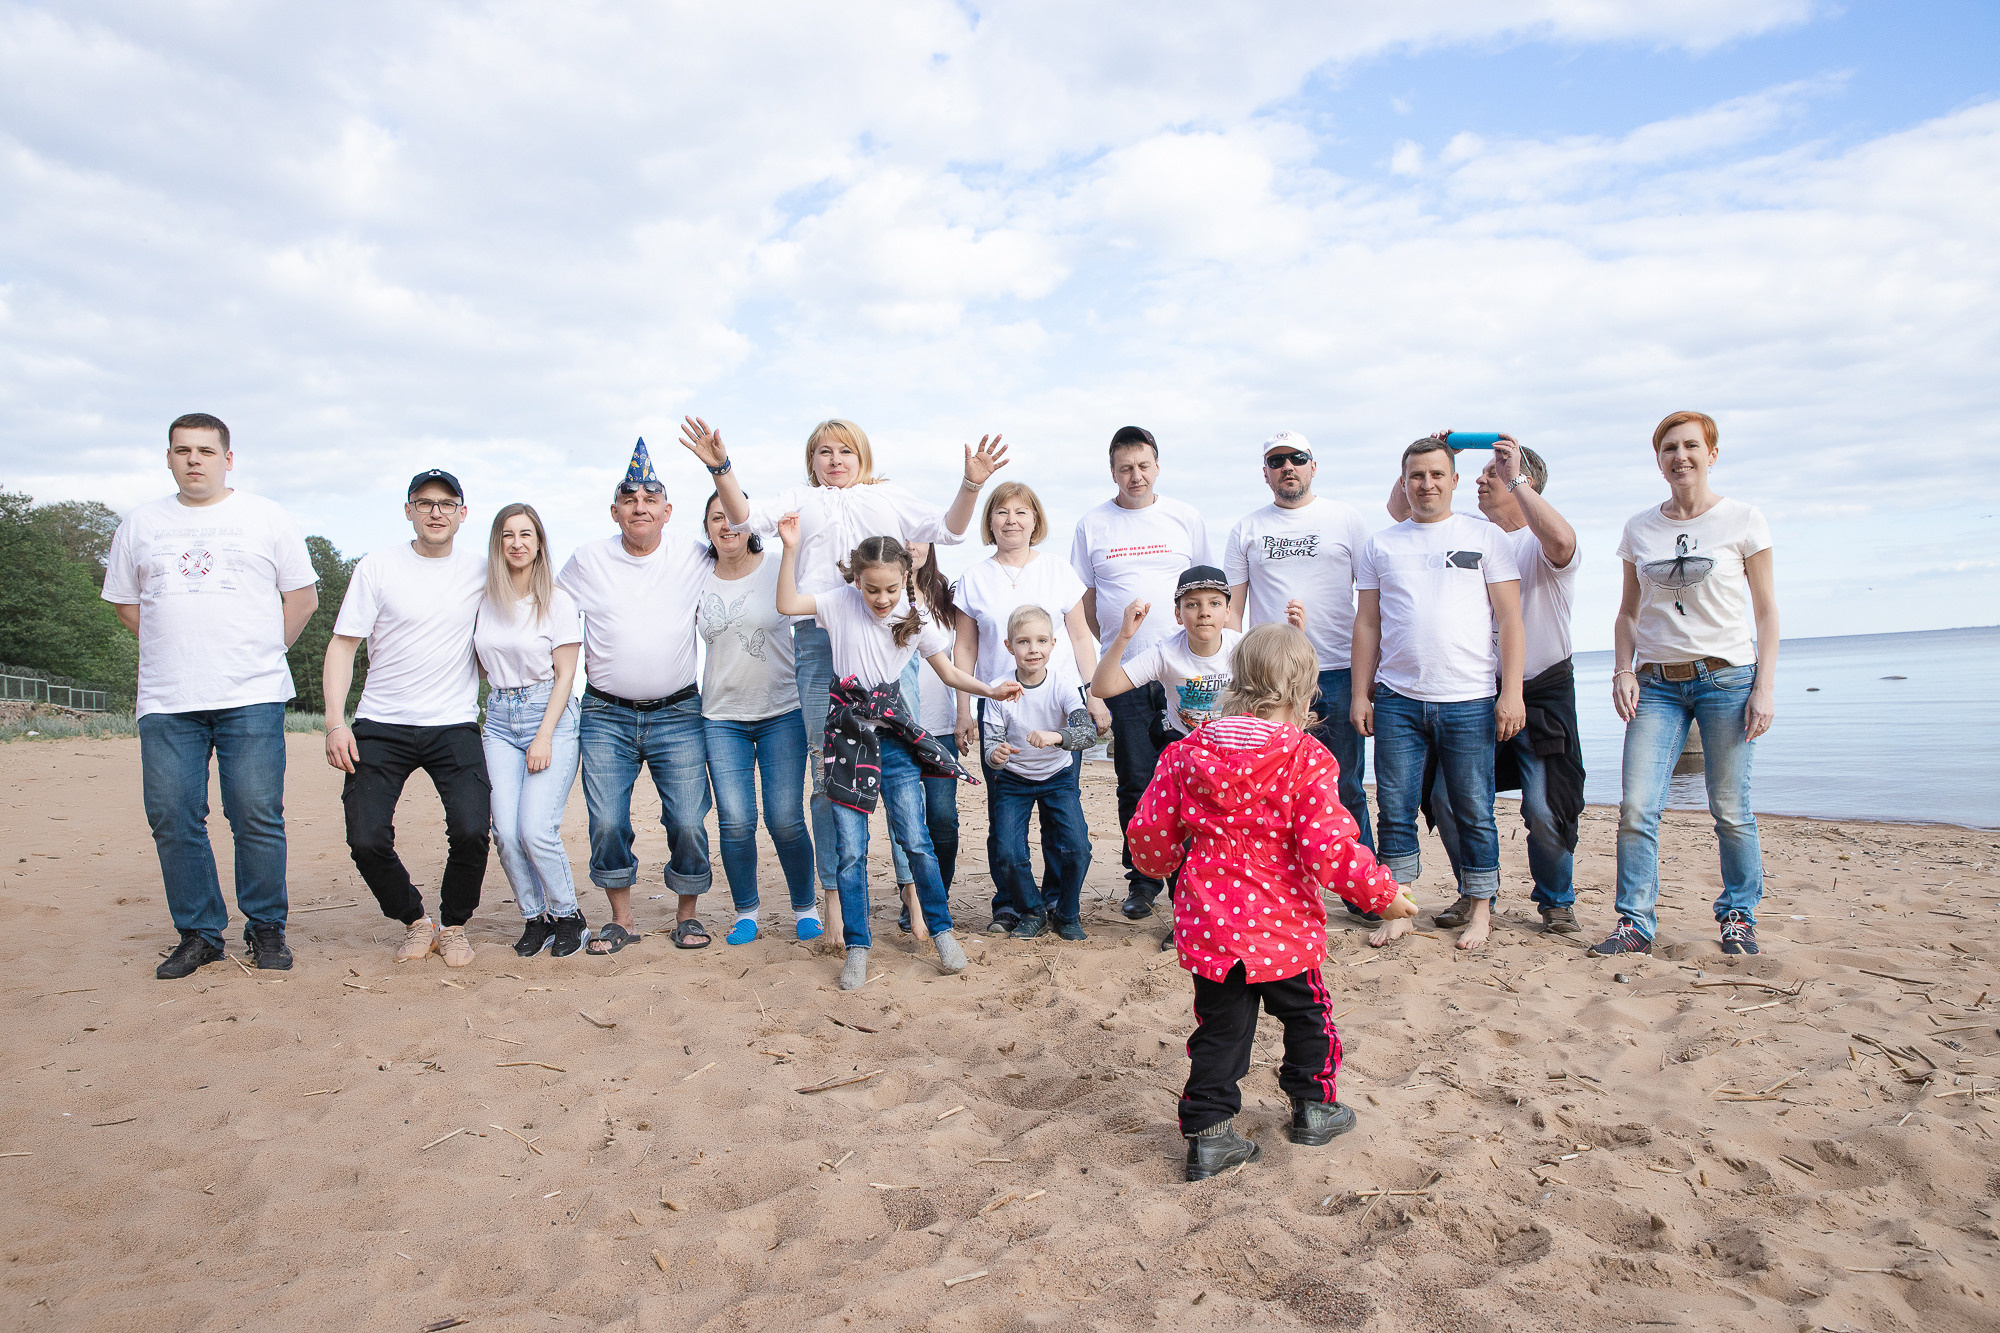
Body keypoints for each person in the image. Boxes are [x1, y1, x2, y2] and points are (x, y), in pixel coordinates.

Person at [679, 415, 1007, 929]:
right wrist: (721, 468)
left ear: (863, 458)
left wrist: (972, 483)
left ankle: (913, 898)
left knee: (901, 766)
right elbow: (743, 517)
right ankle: (833, 900)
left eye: (845, 452)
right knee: (824, 769)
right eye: (824, 452)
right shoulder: (800, 499)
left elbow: (951, 528)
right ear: (811, 461)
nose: (835, 460)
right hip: (819, 637)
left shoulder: (887, 496)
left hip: (887, 637)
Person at [1127, 624, 1417, 1181]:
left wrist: (1159, 867)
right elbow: (1328, 845)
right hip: (1282, 927)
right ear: (1305, 693)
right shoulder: (1305, 757)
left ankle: (1210, 1135)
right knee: (1309, 1016)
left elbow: (1149, 834)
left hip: (1212, 924)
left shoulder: (1187, 752)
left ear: (1236, 681)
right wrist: (1380, 893)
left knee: (1220, 1028)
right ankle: (1315, 1108)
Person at [103, 412, 319, 978]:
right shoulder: (141, 524)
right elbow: (130, 606)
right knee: (173, 814)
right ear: (169, 458)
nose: (193, 459)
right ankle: (199, 933)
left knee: (254, 812)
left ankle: (266, 926)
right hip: (168, 698)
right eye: (181, 450)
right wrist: (181, 648)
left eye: (204, 450)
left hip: (251, 693)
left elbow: (301, 600)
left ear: (228, 457)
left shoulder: (265, 517)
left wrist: (261, 652)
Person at [773, 522, 1021, 991]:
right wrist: (789, 550)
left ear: (906, 578)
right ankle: (858, 946)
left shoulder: (915, 615)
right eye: (871, 589)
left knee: (916, 840)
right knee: (851, 851)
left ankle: (942, 932)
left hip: (895, 741)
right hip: (847, 738)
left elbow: (948, 672)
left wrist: (989, 688)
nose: (881, 598)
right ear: (856, 580)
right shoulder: (838, 602)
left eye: (890, 588)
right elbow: (787, 604)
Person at [1596, 410, 1778, 958]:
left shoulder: (1744, 520)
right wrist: (1622, 670)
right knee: (1636, 807)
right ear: (1659, 460)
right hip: (1656, 686)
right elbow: (1627, 614)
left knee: (1730, 807)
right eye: (1669, 448)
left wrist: (1764, 688)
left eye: (1692, 446)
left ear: (1712, 453)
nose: (1681, 456)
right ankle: (1635, 922)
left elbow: (1767, 614)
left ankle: (1739, 915)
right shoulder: (1639, 528)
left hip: (1727, 680)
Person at [1388, 436, 1586, 934]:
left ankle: (1556, 899)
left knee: (1544, 807)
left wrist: (1515, 475)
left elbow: (1563, 544)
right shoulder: (1472, 533)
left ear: (1525, 483)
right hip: (1471, 692)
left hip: (1538, 691)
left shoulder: (1538, 543)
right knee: (1446, 800)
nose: (1478, 480)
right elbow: (1400, 510)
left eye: (1491, 473)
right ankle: (1477, 893)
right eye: (1473, 474)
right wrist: (1430, 451)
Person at [1352, 438, 1524, 953]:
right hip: (1399, 698)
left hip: (1469, 697)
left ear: (1453, 480)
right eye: (1416, 476)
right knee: (1395, 807)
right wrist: (1363, 694)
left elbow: (1511, 620)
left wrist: (1509, 693)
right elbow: (1367, 624)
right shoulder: (1381, 544)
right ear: (1404, 483)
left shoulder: (1485, 536)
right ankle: (1399, 907)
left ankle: (1479, 911)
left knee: (1473, 807)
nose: (1426, 484)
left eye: (1436, 474)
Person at [323, 468, 489, 967]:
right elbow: (343, 644)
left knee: (471, 829)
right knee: (366, 837)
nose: (435, 511)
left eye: (446, 503)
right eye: (424, 502)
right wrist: (335, 722)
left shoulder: (483, 571)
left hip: (454, 723)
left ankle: (455, 925)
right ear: (408, 510)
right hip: (381, 722)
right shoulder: (377, 567)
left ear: (463, 512)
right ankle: (417, 921)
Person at [557, 439, 714, 954]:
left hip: (679, 711)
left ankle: (687, 917)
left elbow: (745, 547)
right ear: (614, 510)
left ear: (668, 512)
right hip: (605, 714)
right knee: (606, 821)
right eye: (629, 498)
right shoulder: (586, 560)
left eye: (651, 498)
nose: (640, 505)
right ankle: (620, 919)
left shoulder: (695, 556)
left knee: (688, 819)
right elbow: (549, 616)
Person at [954, 481, 1111, 933]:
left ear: (1036, 521)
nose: (1012, 520)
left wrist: (1093, 694)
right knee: (1005, 815)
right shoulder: (973, 578)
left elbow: (1082, 637)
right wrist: (965, 710)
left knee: (1060, 816)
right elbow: (964, 649)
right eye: (1002, 512)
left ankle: (1058, 901)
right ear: (990, 522)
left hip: (1056, 709)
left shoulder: (1058, 571)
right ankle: (1011, 904)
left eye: (1022, 512)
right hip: (1000, 711)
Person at [1069, 426, 1209, 922]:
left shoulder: (1185, 518)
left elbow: (1207, 593)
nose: (1136, 475)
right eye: (1125, 467)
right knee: (1136, 782)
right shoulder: (1092, 525)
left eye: (1144, 465)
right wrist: (1096, 679)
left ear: (1157, 467)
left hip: (1184, 672)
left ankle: (1189, 883)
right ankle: (1144, 878)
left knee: (1192, 784)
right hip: (1124, 675)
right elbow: (1081, 608)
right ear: (1112, 471)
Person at [1223, 430, 1376, 866]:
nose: (1287, 466)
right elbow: (1233, 610)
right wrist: (1232, 672)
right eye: (1276, 461)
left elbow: (1371, 600)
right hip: (1268, 677)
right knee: (1271, 782)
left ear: (1313, 465)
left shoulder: (1345, 519)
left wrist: (1369, 677)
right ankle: (1281, 876)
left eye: (1297, 457)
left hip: (1337, 670)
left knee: (1345, 784)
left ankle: (1357, 884)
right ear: (1266, 475)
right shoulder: (1247, 528)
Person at [696, 491, 820, 945]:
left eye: (733, 518)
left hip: (781, 711)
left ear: (750, 523)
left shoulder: (776, 568)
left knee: (785, 817)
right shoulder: (697, 577)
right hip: (720, 716)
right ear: (706, 527)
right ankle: (745, 911)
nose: (726, 526)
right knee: (734, 820)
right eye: (716, 519)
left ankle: (805, 908)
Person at [474, 503, 587, 958]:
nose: (517, 543)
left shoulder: (557, 600)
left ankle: (568, 915)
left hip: (550, 715)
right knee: (504, 831)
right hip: (499, 717)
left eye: (526, 534)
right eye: (507, 535)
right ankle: (534, 917)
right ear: (497, 544)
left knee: (535, 829)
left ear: (540, 543)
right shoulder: (484, 600)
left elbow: (566, 675)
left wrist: (543, 735)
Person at [980, 606, 1097, 940]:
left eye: (1041, 640)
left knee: (1077, 847)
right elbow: (991, 748)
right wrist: (997, 754)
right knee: (1008, 853)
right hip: (1014, 781)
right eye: (1024, 641)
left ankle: (1066, 913)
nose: (1033, 648)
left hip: (1057, 777)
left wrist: (1056, 736)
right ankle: (1032, 911)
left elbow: (1088, 733)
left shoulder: (1063, 684)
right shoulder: (999, 691)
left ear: (1053, 644)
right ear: (1008, 646)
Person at [888, 541, 965, 932]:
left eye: (919, 536)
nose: (911, 545)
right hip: (900, 727)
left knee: (942, 819)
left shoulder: (947, 598)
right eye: (903, 535)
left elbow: (962, 658)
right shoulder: (884, 593)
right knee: (907, 817)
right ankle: (913, 898)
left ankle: (939, 892)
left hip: (940, 727)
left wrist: (965, 714)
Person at [1091, 565, 1243, 740]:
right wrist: (1124, 635)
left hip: (1233, 747)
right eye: (1192, 604)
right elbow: (1102, 688)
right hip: (1184, 748)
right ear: (1178, 614)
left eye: (1214, 603)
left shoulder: (1244, 648)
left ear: (1228, 612)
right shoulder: (1165, 653)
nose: (1204, 613)